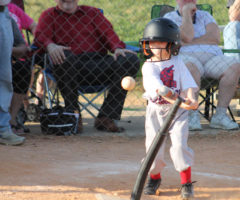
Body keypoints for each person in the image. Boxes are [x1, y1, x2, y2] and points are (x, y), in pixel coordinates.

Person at [34, 0, 140, 133]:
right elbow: (39, 37)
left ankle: (107, 116)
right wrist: (50, 45)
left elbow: (109, 34)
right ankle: (73, 115)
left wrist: (117, 48)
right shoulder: (49, 15)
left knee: (129, 59)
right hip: (68, 66)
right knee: (64, 56)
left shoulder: (92, 13)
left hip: (98, 62)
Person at [140, 18, 198, 199]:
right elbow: (161, 90)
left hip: (177, 113)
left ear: (171, 44)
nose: (155, 46)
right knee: (153, 151)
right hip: (156, 112)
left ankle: (186, 184)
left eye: (160, 41)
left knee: (180, 147)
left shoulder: (178, 62)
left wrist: (191, 98)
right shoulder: (148, 67)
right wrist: (178, 99)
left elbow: (188, 84)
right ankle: (155, 178)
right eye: (152, 42)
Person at [164, 0, 240, 130]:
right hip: (187, 59)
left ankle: (220, 116)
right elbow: (187, 36)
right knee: (190, 67)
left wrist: (188, 42)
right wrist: (187, 15)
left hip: (212, 59)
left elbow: (215, 38)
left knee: (234, 66)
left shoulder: (205, 15)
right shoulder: (169, 18)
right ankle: (192, 114)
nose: (189, 2)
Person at [7, 2, 37, 134]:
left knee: (23, 69)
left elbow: (33, 26)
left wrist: (38, 42)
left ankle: (11, 120)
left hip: (16, 56)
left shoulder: (13, 10)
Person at [0, 0, 25, 145]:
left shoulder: (7, 16)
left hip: (2, 16)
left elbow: (21, 45)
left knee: (4, 81)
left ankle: (3, 129)